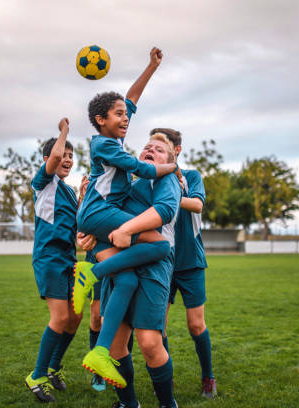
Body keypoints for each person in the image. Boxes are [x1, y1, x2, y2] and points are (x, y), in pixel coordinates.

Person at [73, 48, 178, 388]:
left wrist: (151, 67)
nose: (125, 118)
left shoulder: (113, 134)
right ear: (102, 120)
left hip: (99, 216)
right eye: (118, 115)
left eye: (126, 115)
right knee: (160, 246)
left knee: (129, 280)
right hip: (99, 213)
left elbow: (131, 98)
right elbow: (142, 168)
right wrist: (173, 166)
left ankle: (100, 352)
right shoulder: (104, 145)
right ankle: (93, 272)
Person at [97, 134, 182, 408]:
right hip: (122, 263)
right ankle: (128, 403)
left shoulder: (166, 180)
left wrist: (126, 229)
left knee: (148, 343)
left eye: (159, 150)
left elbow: (165, 210)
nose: (150, 150)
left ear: (168, 161)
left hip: (154, 266)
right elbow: (104, 213)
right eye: (147, 147)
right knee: (115, 345)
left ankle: (168, 403)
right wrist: (87, 232)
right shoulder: (129, 182)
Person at [151, 127, 217, 398]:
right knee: (158, 326)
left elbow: (198, 205)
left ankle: (208, 378)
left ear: (176, 150)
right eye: (152, 144)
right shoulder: (150, 179)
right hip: (159, 261)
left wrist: (171, 195)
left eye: (161, 145)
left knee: (195, 325)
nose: (155, 149)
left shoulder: (191, 176)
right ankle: (167, 378)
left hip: (190, 262)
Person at [25, 118, 84, 403]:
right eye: (64, 155)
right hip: (49, 258)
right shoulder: (43, 183)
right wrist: (64, 131)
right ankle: (36, 376)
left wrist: (83, 198)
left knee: (76, 316)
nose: (68, 160)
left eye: (72, 157)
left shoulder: (69, 192)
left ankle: (53, 367)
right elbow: (57, 154)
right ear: (48, 159)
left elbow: (78, 226)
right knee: (60, 317)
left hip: (68, 259)